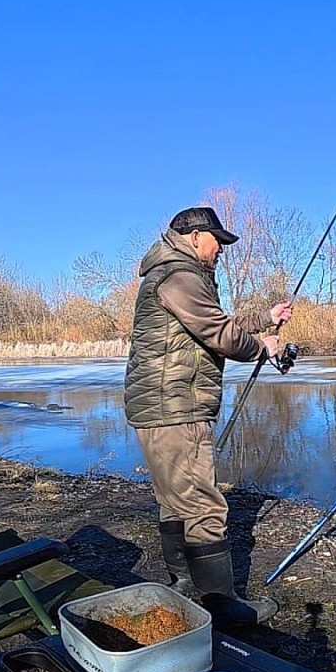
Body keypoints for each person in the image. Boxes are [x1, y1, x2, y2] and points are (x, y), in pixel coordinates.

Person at [124, 205, 293, 626]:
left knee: (174, 499)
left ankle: (183, 586)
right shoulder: (179, 275)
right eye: (218, 241)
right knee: (202, 504)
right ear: (197, 236)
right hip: (176, 406)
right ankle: (222, 606)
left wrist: (264, 320)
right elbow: (217, 333)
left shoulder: (170, 273)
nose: (221, 250)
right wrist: (263, 347)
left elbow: (212, 320)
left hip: (159, 407)